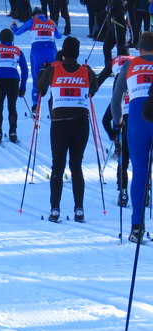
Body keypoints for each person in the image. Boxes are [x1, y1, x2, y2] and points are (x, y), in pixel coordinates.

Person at [37, 37, 97, 223]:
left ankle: (55, 209)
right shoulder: (86, 71)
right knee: (76, 165)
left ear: (63, 53)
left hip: (60, 122)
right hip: (81, 123)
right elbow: (93, 90)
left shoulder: (53, 69)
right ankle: (79, 209)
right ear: (77, 54)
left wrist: (43, 72)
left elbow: (40, 89)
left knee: (58, 165)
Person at [112, 34, 153, 239]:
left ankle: (137, 226)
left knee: (140, 174)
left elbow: (116, 99)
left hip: (138, 120)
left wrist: (118, 122)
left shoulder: (129, 65)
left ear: (139, 49)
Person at [0, 28, 29, 143]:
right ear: (12, 39)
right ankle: (13, 132)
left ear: (0, 39)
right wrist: (23, 87)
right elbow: (25, 69)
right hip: (14, 80)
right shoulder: (17, 50)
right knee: (12, 106)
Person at [99, 48, 132, 207]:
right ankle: (146, 192)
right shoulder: (135, 67)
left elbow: (105, 120)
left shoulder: (116, 63)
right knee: (142, 160)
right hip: (139, 119)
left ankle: (123, 193)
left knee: (123, 161)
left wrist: (113, 134)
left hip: (123, 123)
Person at [11, 7, 61, 110]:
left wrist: (14, 27)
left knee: (36, 78)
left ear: (34, 15)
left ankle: (35, 107)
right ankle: (55, 105)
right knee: (54, 78)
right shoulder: (51, 22)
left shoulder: (32, 21)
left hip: (37, 52)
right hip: (51, 52)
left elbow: (17, 32)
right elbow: (59, 36)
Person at [102, 0, 127, 67]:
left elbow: (123, 10)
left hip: (118, 27)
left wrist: (112, 11)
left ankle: (121, 67)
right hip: (112, 29)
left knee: (120, 49)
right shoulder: (110, 0)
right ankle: (108, 67)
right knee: (106, 47)